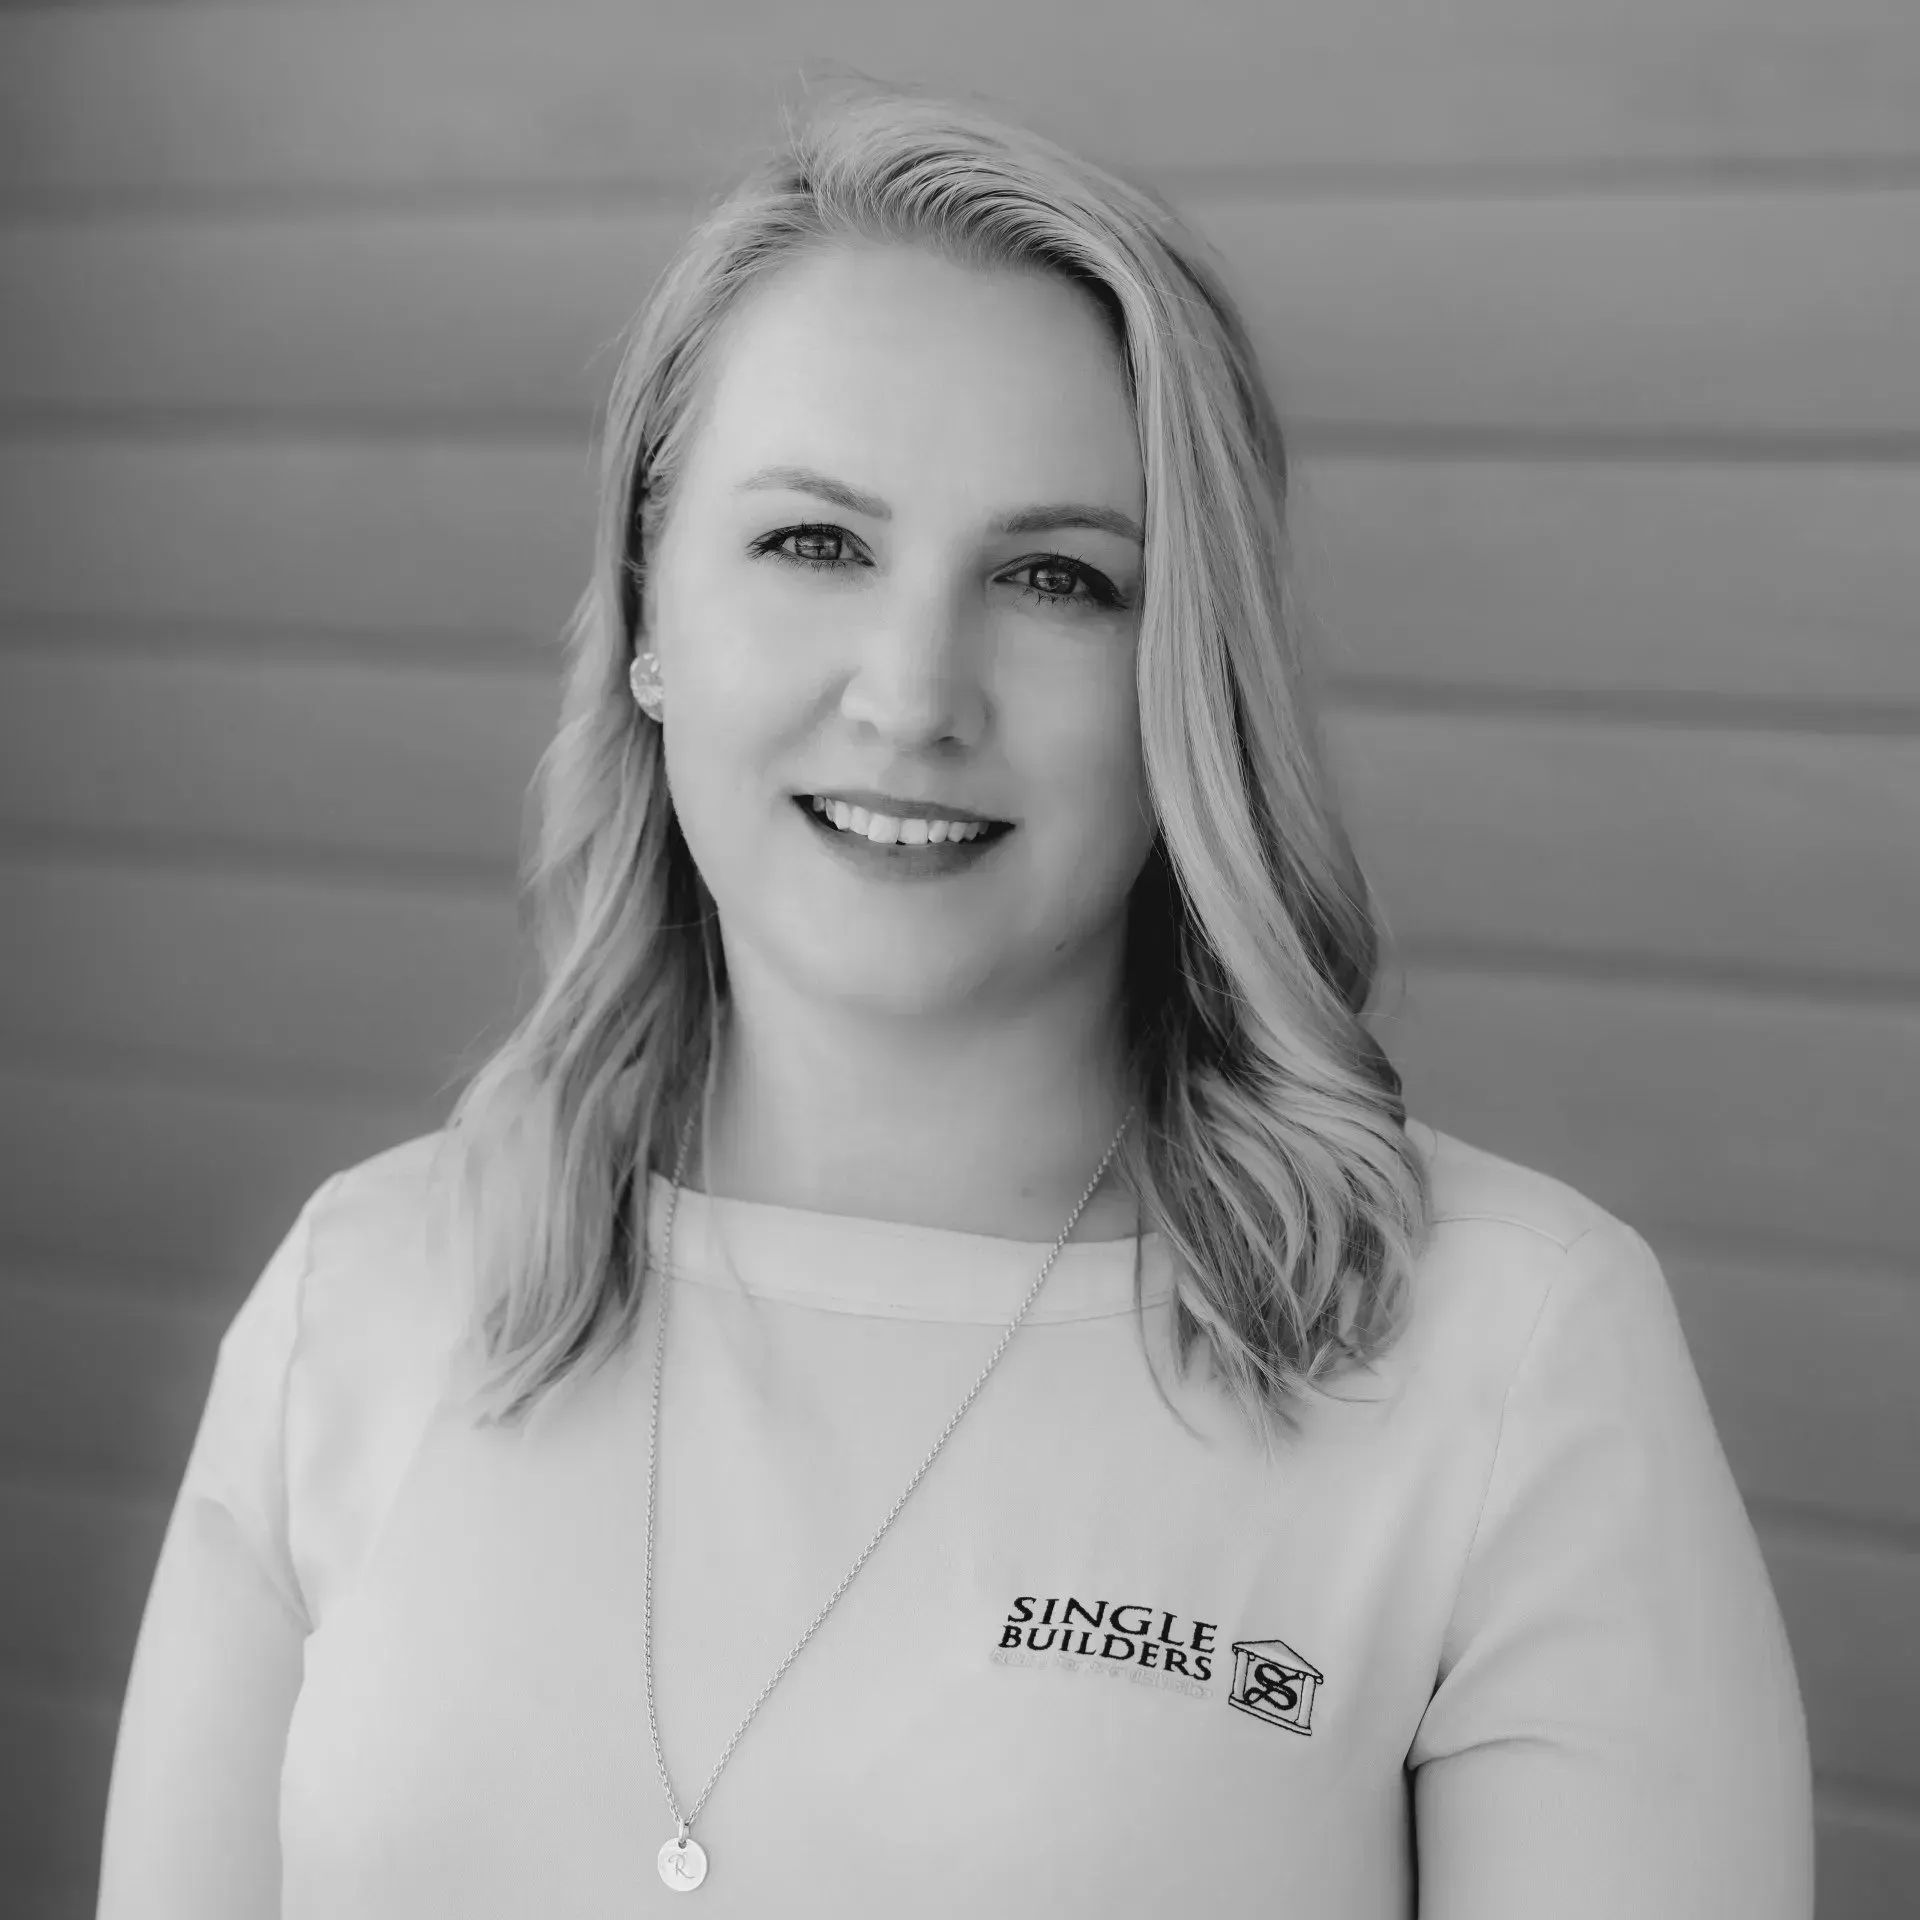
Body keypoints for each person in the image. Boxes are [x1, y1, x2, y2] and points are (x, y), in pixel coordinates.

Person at [96, 78, 1812, 1918]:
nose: (916, 691)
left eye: (1057, 578)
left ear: (1189, 687)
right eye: (815, 544)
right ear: (648, 609)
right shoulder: (360, 1306)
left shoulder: (1506, 1358)